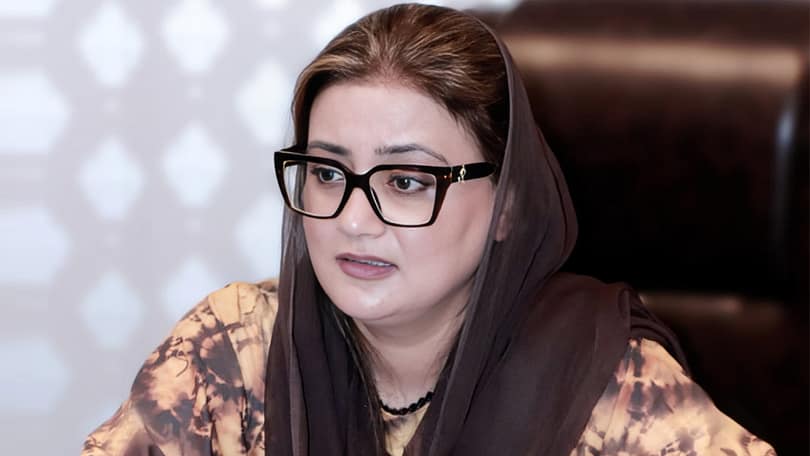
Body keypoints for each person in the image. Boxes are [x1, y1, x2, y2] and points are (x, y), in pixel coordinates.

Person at [82, 4, 776, 455]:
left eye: (407, 182)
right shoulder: (233, 350)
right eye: (327, 172)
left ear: (507, 205)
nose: (353, 219)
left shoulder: (610, 388)